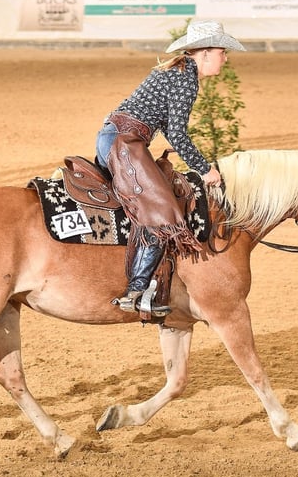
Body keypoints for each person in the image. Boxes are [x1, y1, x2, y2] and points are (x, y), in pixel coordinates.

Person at [95, 20, 246, 315]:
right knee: (162, 210)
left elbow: (163, 123)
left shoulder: (177, 72)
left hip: (117, 138)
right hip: (124, 143)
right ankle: (137, 290)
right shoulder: (185, 79)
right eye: (222, 52)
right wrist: (205, 169)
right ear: (204, 53)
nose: (225, 58)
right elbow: (177, 132)